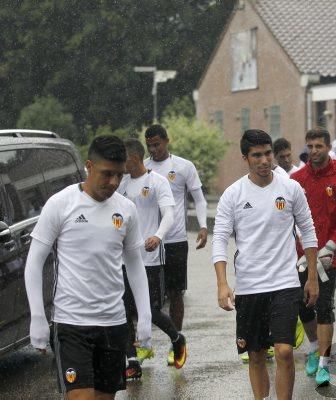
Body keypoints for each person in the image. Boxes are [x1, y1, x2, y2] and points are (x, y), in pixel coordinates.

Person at [24, 135, 152, 400]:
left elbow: (135, 264)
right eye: (107, 174)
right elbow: (34, 261)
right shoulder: (61, 204)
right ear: (89, 166)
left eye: (119, 175)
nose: (114, 183)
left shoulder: (126, 209)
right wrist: (37, 316)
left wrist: (146, 316)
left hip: (113, 323)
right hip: (72, 323)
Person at [212, 129, 319, 400]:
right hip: (249, 287)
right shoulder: (233, 195)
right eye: (256, 155)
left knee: (284, 351)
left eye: (267, 153)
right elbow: (220, 240)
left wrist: (312, 277)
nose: (264, 160)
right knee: (256, 355)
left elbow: (308, 230)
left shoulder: (291, 188)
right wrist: (223, 283)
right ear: (245, 158)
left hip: (284, 282)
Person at [291, 127, 336, 386]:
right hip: (301, 255)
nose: (313, 151)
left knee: (324, 305)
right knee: (302, 304)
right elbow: (289, 215)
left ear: (329, 147)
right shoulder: (296, 179)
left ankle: (323, 363)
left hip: (330, 255)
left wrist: (330, 246)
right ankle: (312, 347)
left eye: (318, 146)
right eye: (309, 146)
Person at [118, 138, 187, 379]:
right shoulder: (121, 184)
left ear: (134, 157)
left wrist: (158, 236)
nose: (120, 163)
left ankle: (177, 338)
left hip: (150, 258)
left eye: (123, 158)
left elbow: (169, 213)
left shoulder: (157, 182)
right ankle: (133, 360)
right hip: (125, 259)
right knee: (125, 312)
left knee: (150, 310)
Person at [144, 124, 208, 365]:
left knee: (175, 292)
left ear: (167, 141)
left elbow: (199, 199)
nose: (153, 149)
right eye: (149, 145)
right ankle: (144, 343)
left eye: (157, 144)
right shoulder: (143, 168)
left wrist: (203, 226)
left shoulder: (183, 166)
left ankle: (176, 343)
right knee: (146, 296)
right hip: (149, 242)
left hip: (175, 240)